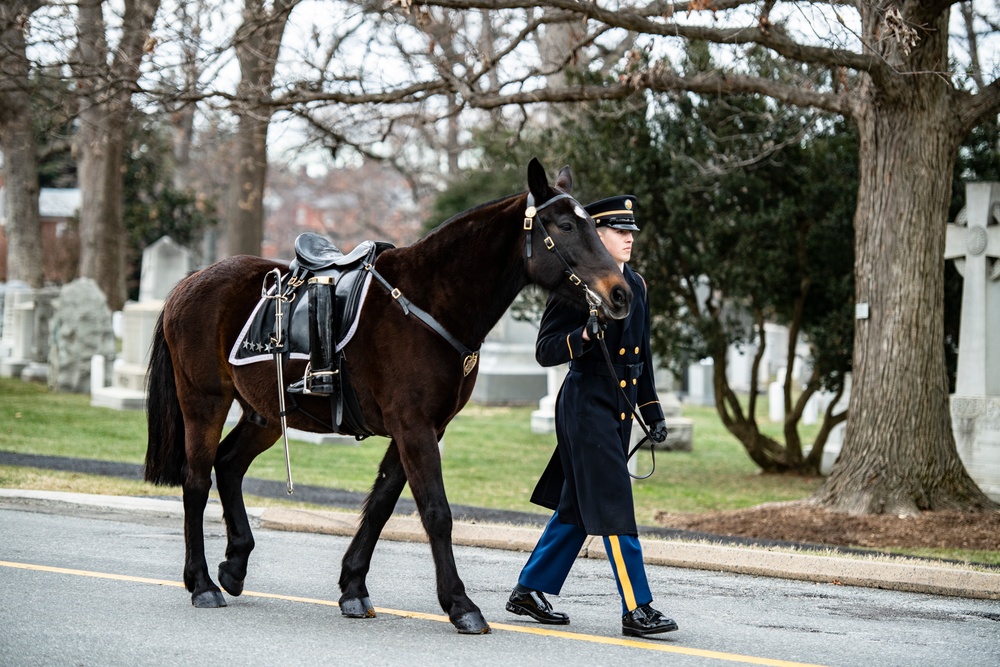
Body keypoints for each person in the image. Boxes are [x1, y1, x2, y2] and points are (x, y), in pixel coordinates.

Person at [505, 194, 678, 637]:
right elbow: (545, 350)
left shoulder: (635, 285)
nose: (628, 239)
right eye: (620, 232)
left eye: (631, 232)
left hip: (617, 410)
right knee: (614, 505)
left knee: (579, 508)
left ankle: (528, 590)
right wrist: (582, 333)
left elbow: (642, 357)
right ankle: (637, 608)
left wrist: (651, 409)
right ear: (596, 237)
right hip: (584, 407)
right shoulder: (576, 286)